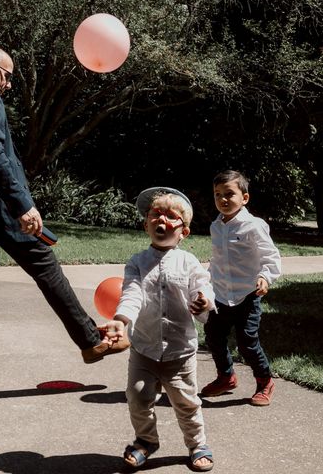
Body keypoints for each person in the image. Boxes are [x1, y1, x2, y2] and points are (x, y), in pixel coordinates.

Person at [0, 44, 129, 406]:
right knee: (47, 269)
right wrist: (22, 205)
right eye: (6, 77)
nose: (6, 86)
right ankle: (90, 341)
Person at [110, 187, 215, 472]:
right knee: (138, 396)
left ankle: (197, 444)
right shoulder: (137, 262)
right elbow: (131, 293)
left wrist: (204, 301)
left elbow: (202, 286)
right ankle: (146, 440)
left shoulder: (188, 261)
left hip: (180, 352)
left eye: (171, 216)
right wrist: (121, 320)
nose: (162, 220)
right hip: (144, 349)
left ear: (184, 232)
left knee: (186, 403)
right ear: (146, 225)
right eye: (156, 214)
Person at [201, 170, 282, 406]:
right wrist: (206, 284)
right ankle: (226, 377)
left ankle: (265, 382)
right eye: (217, 195)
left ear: (244, 198)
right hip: (221, 295)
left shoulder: (254, 226)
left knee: (247, 342)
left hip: (247, 295)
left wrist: (265, 277)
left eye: (229, 194)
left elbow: (271, 256)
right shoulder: (216, 226)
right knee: (214, 337)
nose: (223, 199)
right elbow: (216, 261)